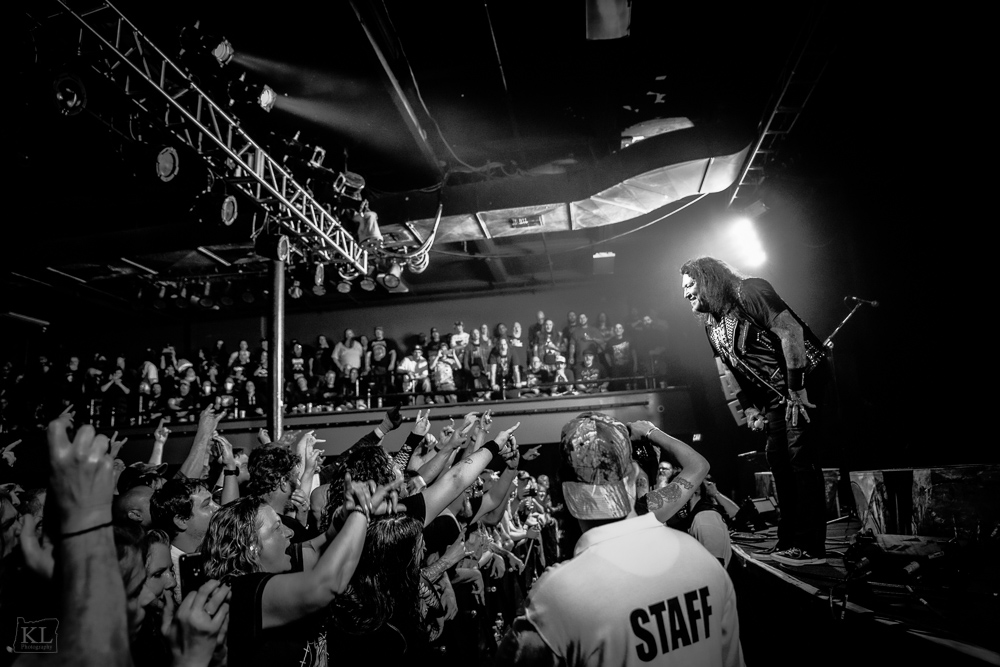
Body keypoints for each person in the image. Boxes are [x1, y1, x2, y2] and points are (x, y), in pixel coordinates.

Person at [495, 412, 742, 666]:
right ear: (634, 479)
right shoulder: (701, 559)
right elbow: (698, 466)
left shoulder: (557, 596)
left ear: (567, 492)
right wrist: (649, 430)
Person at [680, 256, 829, 566]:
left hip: (803, 382)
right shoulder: (713, 324)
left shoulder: (748, 291)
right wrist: (748, 408)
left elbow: (790, 332)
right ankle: (788, 538)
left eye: (691, 285)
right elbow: (729, 371)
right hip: (776, 398)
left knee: (800, 458)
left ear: (709, 280)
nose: (685, 293)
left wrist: (797, 387)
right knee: (778, 460)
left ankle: (810, 547)